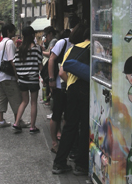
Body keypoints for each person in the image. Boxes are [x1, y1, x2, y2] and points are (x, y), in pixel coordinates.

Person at [52, 24, 91, 175]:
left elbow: (62, 72)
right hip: (86, 88)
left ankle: (59, 162)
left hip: (72, 89)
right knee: (85, 126)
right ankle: (81, 164)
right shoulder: (95, 47)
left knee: (70, 126)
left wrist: (70, 85)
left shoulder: (71, 48)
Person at [0, 24, 30, 129]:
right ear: (9, 31)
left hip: (0, 76)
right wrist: (17, 76)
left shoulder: (1, 43)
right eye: (13, 31)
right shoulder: (10, 43)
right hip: (8, 78)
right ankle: (18, 121)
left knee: (1, 98)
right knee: (16, 99)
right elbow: (12, 61)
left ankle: (1, 121)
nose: (14, 32)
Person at [12, 26, 43, 134]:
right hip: (33, 79)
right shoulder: (37, 48)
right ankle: (32, 127)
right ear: (32, 35)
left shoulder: (19, 49)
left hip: (22, 80)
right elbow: (40, 64)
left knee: (24, 101)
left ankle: (16, 123)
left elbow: (15, 63)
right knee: (33, 103)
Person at [47, 27, 72, 153]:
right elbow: (51, 59)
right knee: (56, 114)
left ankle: (65, 140)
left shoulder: (78, 44)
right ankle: (54, 142)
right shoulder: (63, 43)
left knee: (67, 114)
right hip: (58, 85)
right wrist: (51, 79)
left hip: (70, 86)